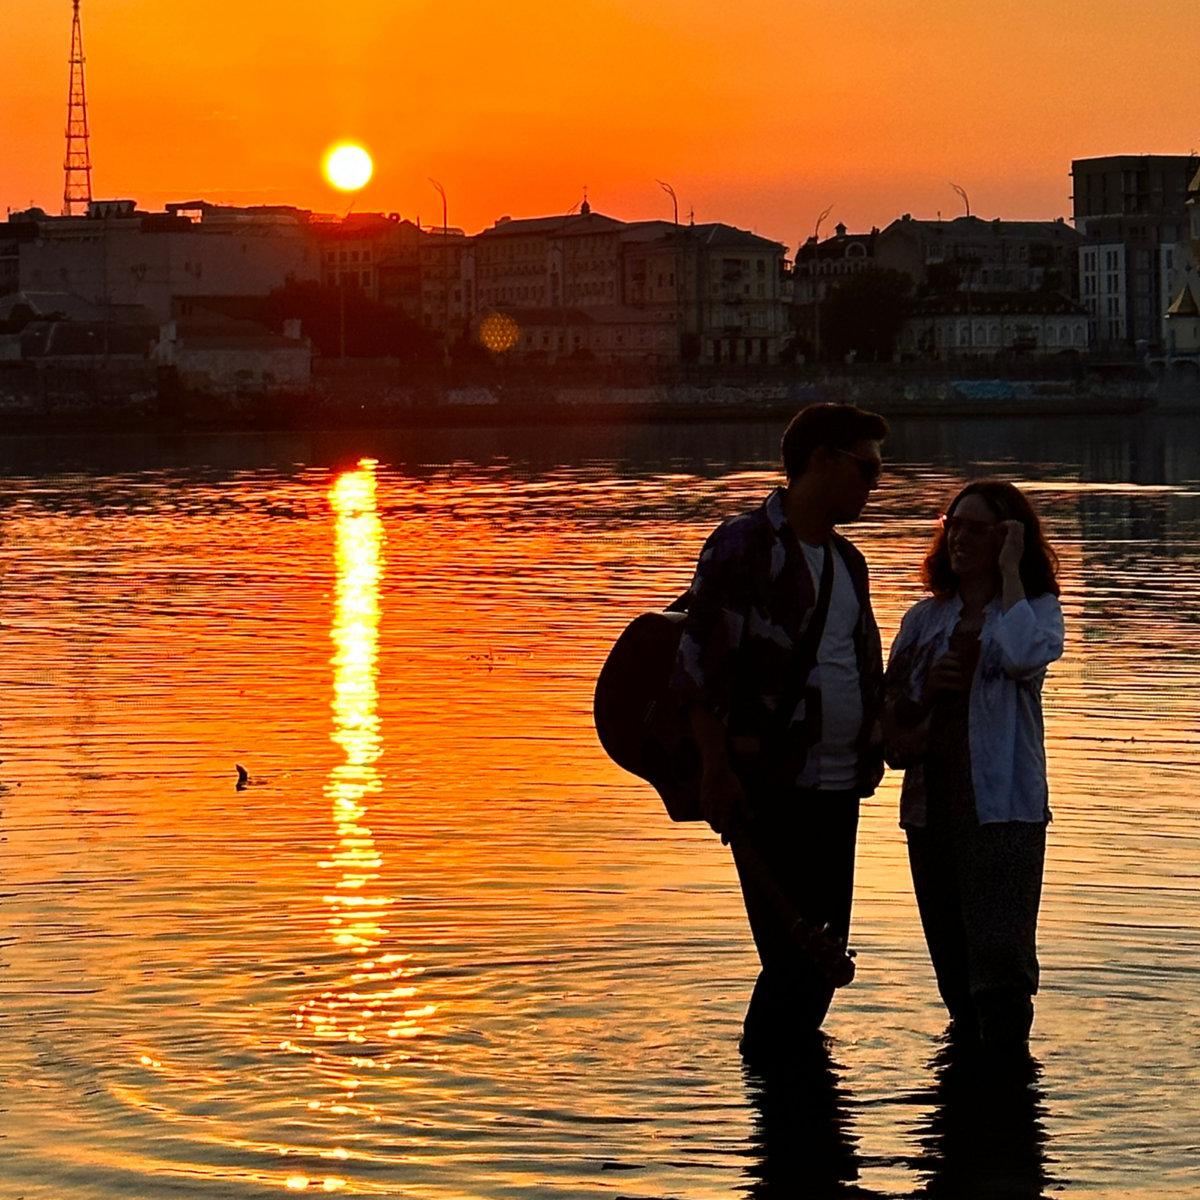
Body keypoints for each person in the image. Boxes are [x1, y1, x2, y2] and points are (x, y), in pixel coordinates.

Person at [669, 403, 888, 1056]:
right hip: (768, 785)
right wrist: (715, 771)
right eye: (867, 469)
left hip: (838, 787)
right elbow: (701, 668)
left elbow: (859, 664)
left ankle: (788, 1094)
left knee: (821, 956)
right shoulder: (743, 545)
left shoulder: (849, 562)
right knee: (796, 959)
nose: (875, 485)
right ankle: (771, 1081)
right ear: (821, 460)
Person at [883, 480, 1063, 1049]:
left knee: (1001, 965)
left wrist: (1010, 573)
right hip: (931, 808)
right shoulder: (924, 619)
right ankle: (965, 1081)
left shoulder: (1034, 612)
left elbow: (1022, 657)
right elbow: (891, 710)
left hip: (1003, 811)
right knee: (953, 964)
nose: (958, 538)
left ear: (1007, 538)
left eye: (976, 529)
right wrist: (927, 691)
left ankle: (1008, 1079)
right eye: (952, 525)